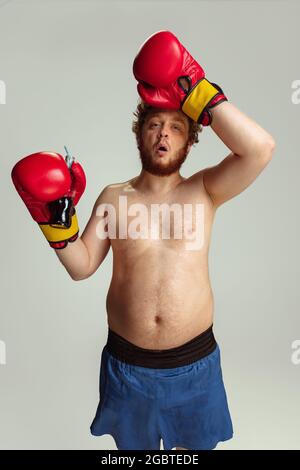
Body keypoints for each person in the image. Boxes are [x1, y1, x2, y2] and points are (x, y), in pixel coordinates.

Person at [11, 31, 275, 451]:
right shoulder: (114, 197)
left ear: (190, 139)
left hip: (194, 368)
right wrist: (53, 221)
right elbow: (81, 266)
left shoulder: (205, 189)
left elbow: (260, 149)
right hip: (127, 367)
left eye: (175, 127)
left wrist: (198, 92)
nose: (164, 135)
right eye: (154, 125)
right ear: (140, 134)